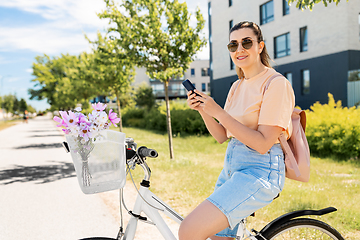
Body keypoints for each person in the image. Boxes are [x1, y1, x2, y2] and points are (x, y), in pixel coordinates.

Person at [179, 21, 295, 240]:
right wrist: (203, 109)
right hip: (232, 169)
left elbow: (262, 144)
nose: (239, 49)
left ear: (260, 46)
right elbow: (223, 136)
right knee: (219, 237)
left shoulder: (275, 83)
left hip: (260, 171)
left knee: (189, 230)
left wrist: (219, 111)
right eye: (233, 45)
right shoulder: (237, 86)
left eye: (246, 42)